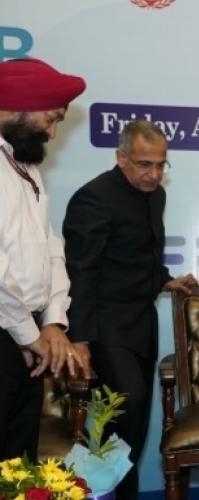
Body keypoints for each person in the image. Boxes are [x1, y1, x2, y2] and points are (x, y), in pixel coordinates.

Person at [63, 120, 196, 500]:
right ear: (121, 158)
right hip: (105, 326)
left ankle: (118, 492)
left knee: (134, 421)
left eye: (160, 165)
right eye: (143, 164)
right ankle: (94, 490)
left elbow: (141, 253)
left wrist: (165, 279)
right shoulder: (93, 198)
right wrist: (81, 340)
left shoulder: (156, 196)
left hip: (142, 322)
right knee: (125, 409)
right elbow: (81, 272)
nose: (154, 174)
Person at [0, 57, 89, 460]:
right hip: (14, 334)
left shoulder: (26, 169)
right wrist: (30, 335)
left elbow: (52, 248)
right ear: (20, 103)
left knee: (18, 462)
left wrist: (52, 321)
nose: (53, 133)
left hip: (22, 339)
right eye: (51, 119)